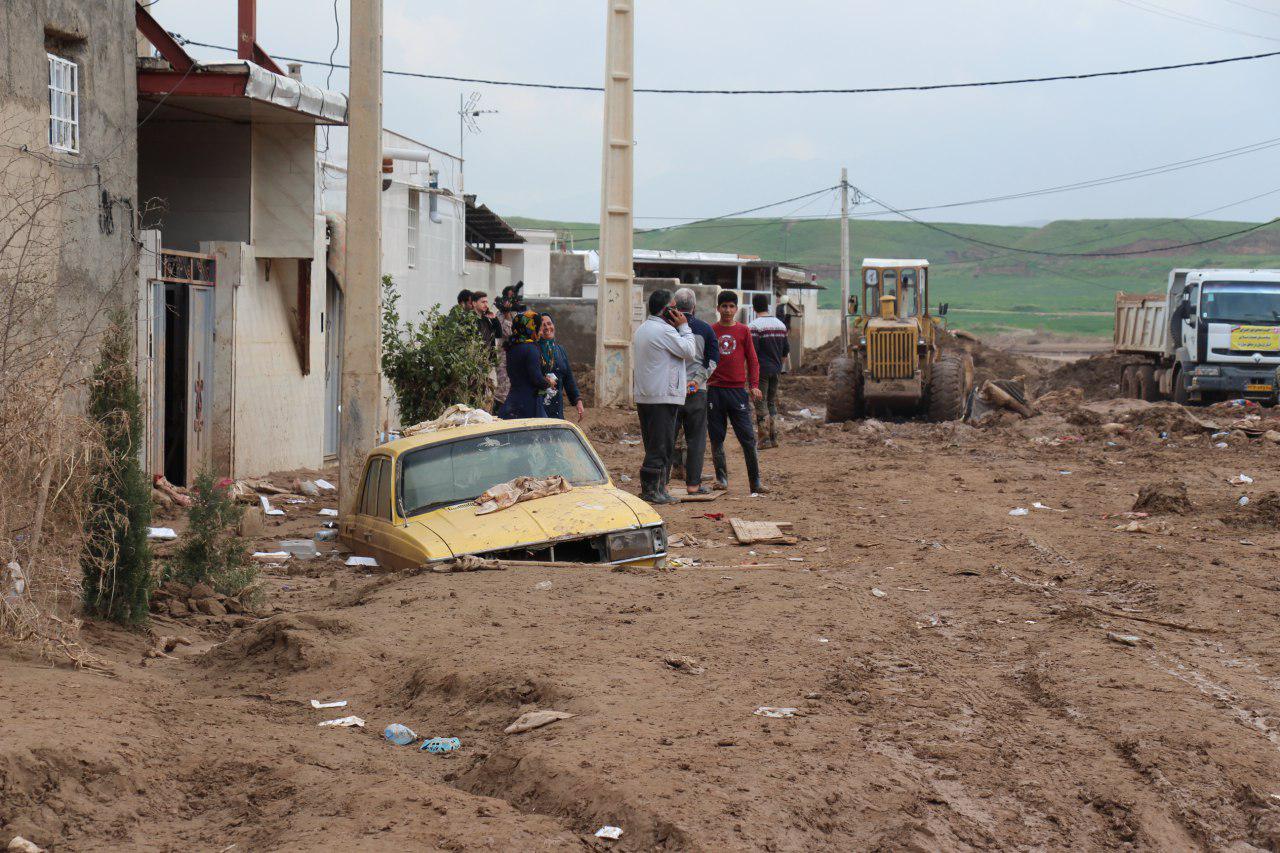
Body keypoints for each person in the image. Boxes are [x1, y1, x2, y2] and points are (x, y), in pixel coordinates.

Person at [632, 288, 697, 504]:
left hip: (649, 395)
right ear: (666, 310)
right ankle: (652, 491)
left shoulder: (644, 328)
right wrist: (684, 327)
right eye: (674, 308)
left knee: (656, 445)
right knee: (660, 446)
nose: (679, 313)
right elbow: (689, 351)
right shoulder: (664, 331)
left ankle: (659, 489)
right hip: (661, 397)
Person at [708, 290, 767, 494]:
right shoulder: (711, 331)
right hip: (715, 391)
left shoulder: (744, 331)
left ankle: (755, 482)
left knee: (748, 438)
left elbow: (753, 360)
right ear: (718, 308)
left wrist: (754, 385)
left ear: (736, 309)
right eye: (724, 306)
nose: (727, 310)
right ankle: (721, 479)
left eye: (731, 306)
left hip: (737, 392)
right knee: (717, 438)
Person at [670, 287, 718, 495]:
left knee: (667, 436)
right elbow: (713, 361)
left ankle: (661, 483)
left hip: (671, 391)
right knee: (695, 440)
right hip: (697, 392)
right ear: (694, 307)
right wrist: (697, 382)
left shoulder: (667, 327)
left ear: (674, 305)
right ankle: (693, 485)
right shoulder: (706, 329)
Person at [749, 292, 790, 450]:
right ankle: (774, 438)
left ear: (754, 308)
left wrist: (749, 373)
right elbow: (785, 350)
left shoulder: (754, 326)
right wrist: (779, 366)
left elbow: (753, 353)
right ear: (767, 306)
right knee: (771, 402)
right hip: (776, 369)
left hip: (761, 371)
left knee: (760, 402)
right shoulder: (780, 325)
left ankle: (764, 439)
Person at [499, 310, 554, 419]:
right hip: (529, 403)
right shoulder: (531, 348)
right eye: (538, 328)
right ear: (531, 327)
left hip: (513, 401)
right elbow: (536, 379)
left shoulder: (512, 346)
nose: (540, 332)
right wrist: (548, 382)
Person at [538, 313, 583, 421]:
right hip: (539, 408)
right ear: (537, 329)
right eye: (543, 325)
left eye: (549, 323)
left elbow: (568, 378)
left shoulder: (560, 350)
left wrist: (577, 400)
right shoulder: (534, 350)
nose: (547, 327)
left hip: (557, 408)